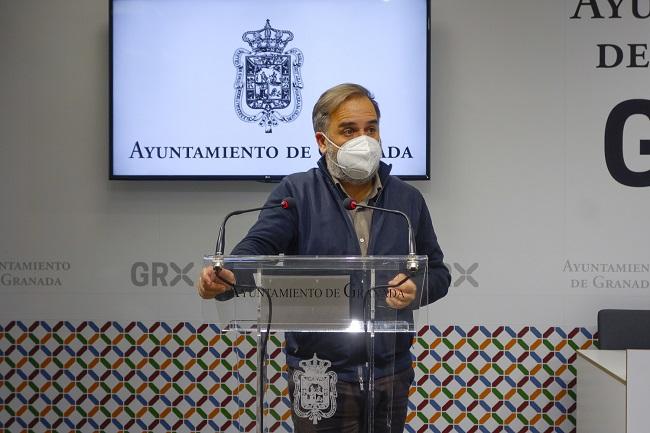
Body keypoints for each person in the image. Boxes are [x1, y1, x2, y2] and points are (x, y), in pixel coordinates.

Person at [197, 83, 451, 432]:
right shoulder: (296, 193)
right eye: (349, 130)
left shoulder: (407, 200)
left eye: (371, 128)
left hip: (390, 372)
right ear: (322, 141)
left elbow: (437, 273)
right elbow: (255, 249)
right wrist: (225, 278)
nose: (364, 140)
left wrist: (416, 286)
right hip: (318, 373)